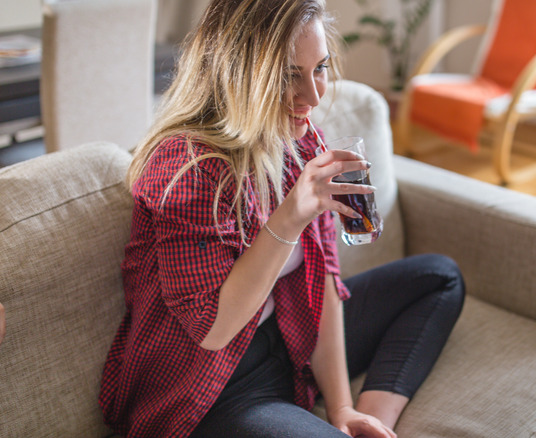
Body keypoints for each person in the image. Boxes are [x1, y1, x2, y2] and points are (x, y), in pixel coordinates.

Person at [98, 1, 465, 437]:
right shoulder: (187, 168)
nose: (312, 96)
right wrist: (290, 216)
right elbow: (213, 329)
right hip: (217, 386)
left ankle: (371, 420)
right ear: (237, 72)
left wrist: (345, 410)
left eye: (320, 69)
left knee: (439, 277)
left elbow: (324, 278)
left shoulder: (304, 143)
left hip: (291, 337)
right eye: (290, 75)